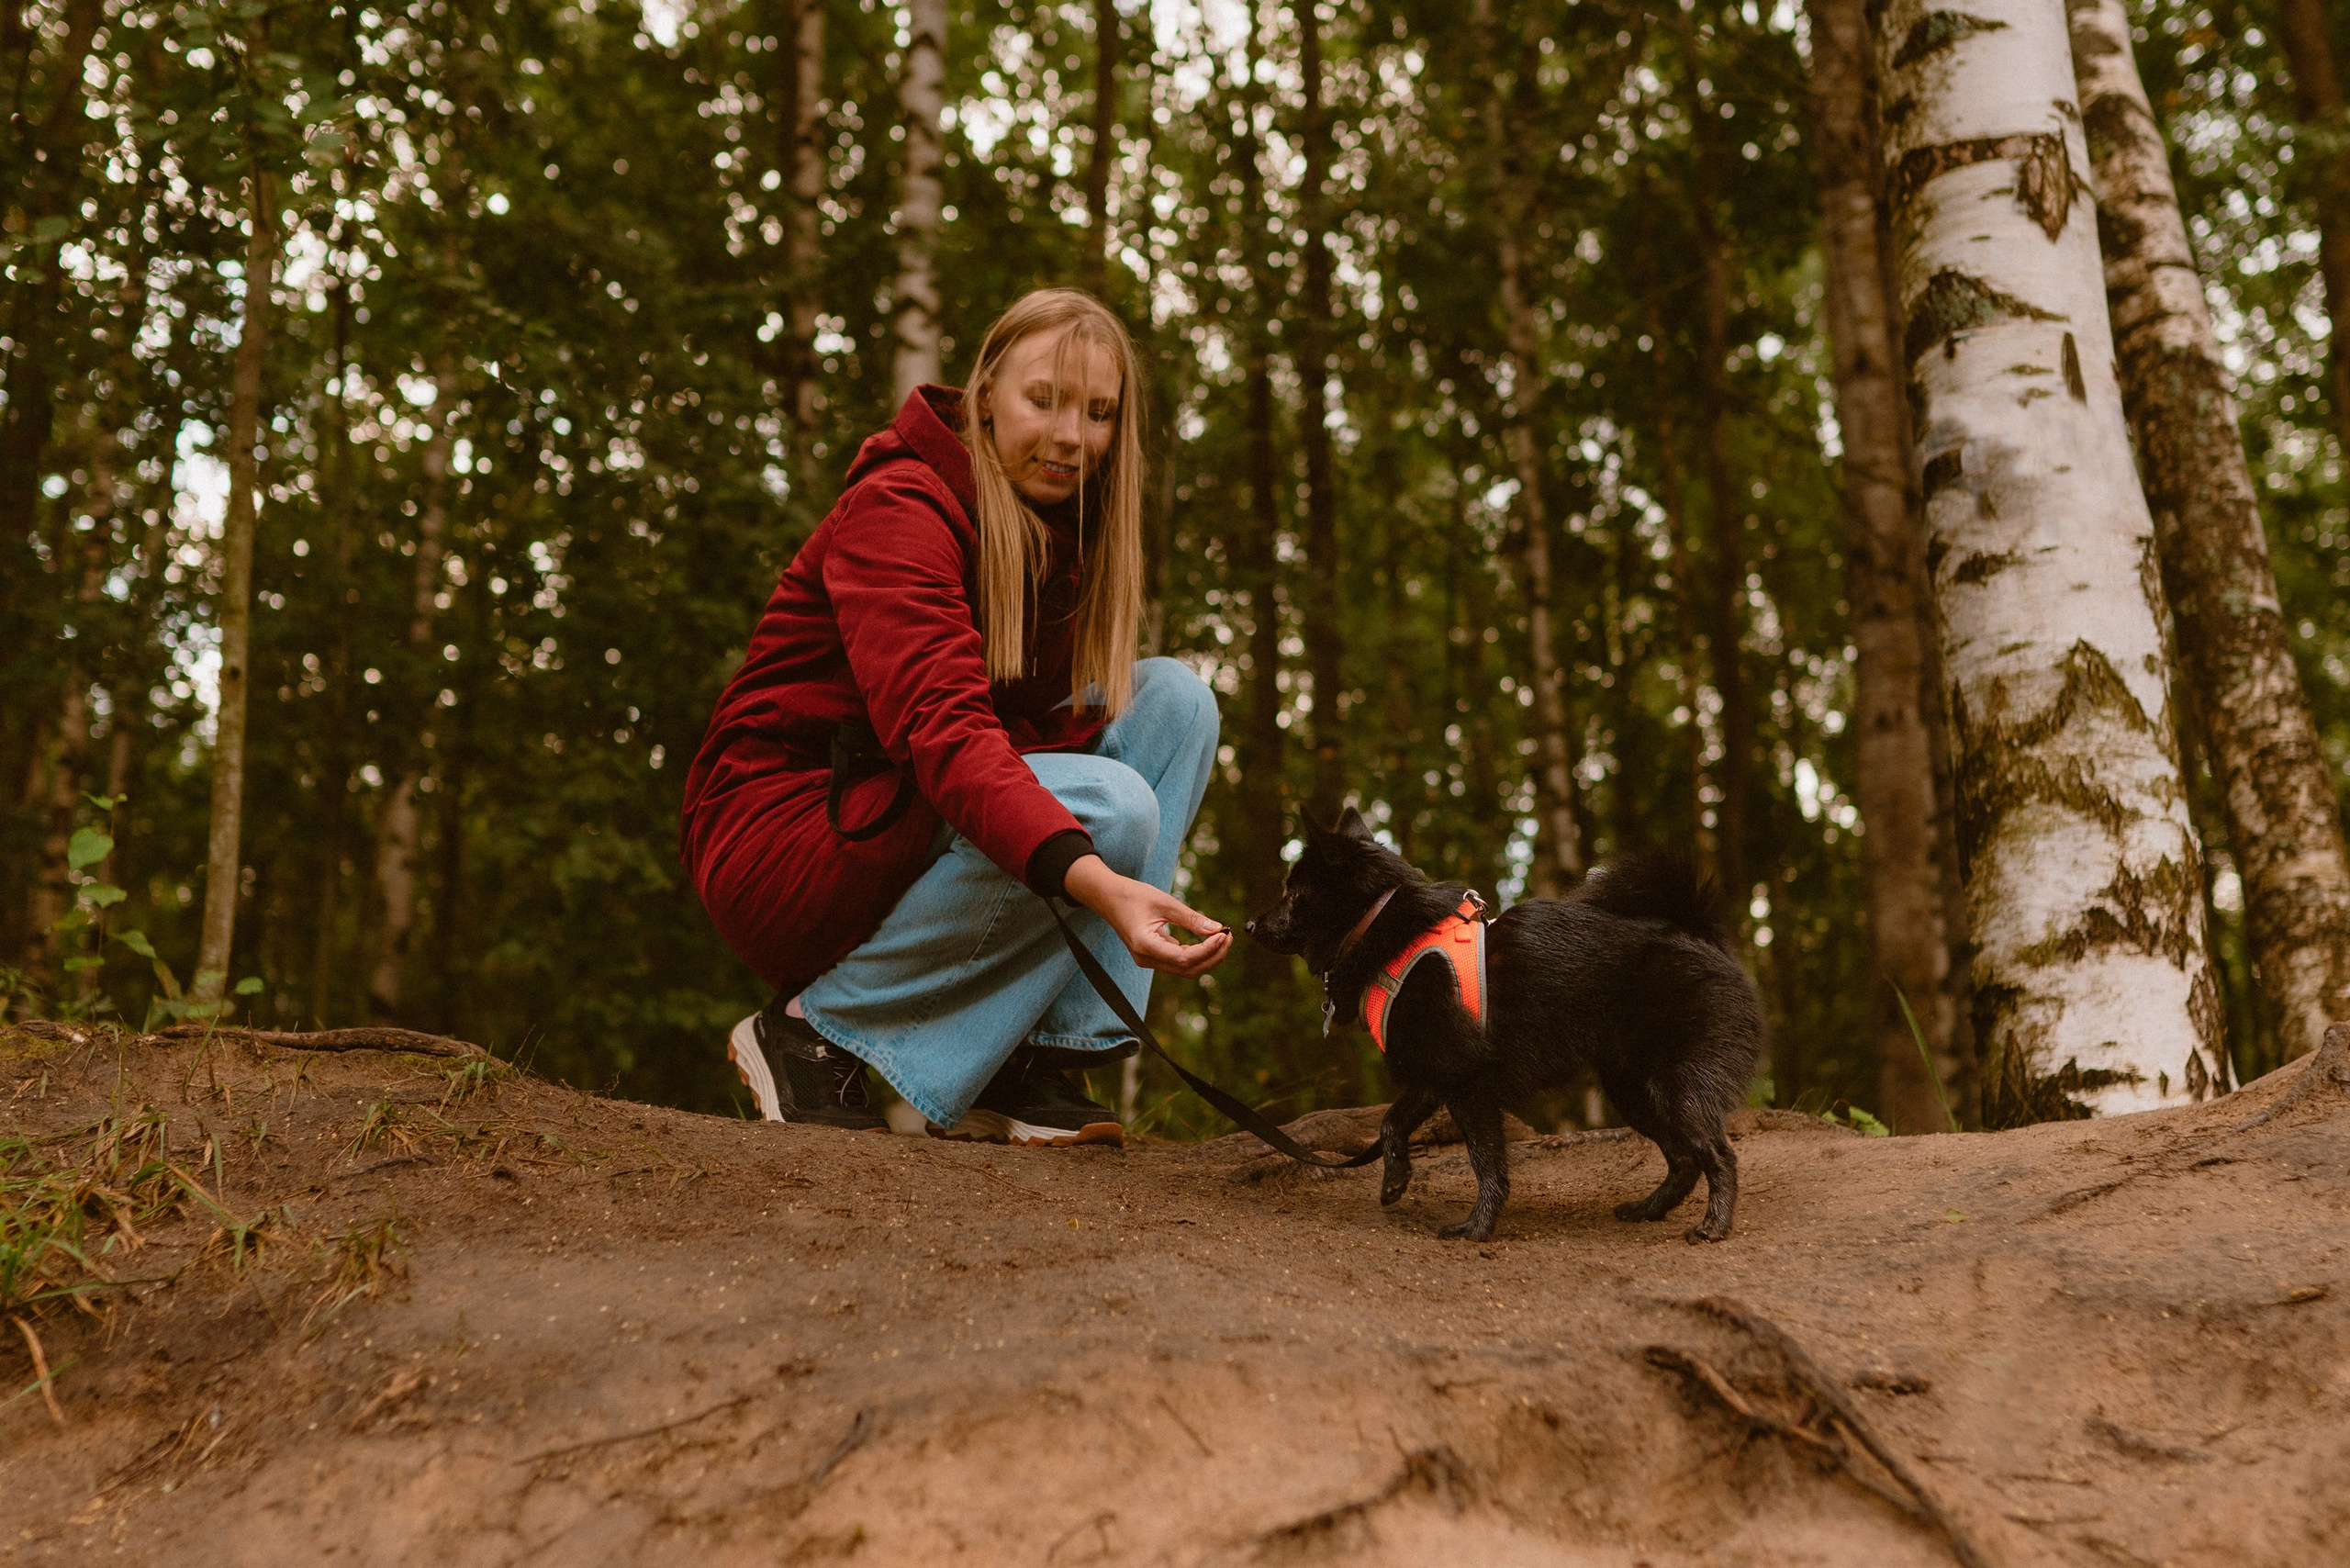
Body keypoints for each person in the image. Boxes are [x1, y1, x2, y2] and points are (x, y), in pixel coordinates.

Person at [679, 288, 1231, 1147]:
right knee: (1110, 809)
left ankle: (1034, 1056)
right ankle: (817, 1031)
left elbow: (1033, 736)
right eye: (1041, 399)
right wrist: (1101, 880)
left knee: (1175, 702)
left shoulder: (1060, 538)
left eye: (1097, 413)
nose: (1069, 436)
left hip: (895, 811)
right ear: (983, 397)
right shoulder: (901, 507)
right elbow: (944, 732)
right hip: (786, 827)